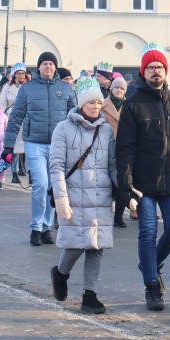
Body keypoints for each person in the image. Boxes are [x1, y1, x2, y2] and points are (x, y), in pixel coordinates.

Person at [116, 44, 170, 311]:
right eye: (150, 67)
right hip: (143, 184)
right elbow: (124, 147)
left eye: (159, 67)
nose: (155, 71)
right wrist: (125, 182)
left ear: (165, 71)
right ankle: (152, 286)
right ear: (143, 72)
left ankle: (149, 262)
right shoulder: (133, 104)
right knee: (147, 232)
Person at [48, 77, 118, 314]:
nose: (96, 106)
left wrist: (125, 189)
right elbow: (56, 165)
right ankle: (60, 273)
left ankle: (90, 295)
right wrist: (60, 199)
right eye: (91, 102)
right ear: (81, 104)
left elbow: (112, 166)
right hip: (74, 196)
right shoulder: (63, 128)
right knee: (76, 244)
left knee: (96, 246)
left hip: (100, 197)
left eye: (99, 102)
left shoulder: (106, 130)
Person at [3, 52, 77, 247]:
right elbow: (16, 116)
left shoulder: (66, 89)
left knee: (53, 186)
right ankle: (36, 227)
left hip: (58, 144)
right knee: (41, 183)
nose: (48, 67)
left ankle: (46, 227)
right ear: (39, 67)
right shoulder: (27, 89)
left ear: (55, 67)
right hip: (34, 143)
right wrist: (8, 145)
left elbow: (75, 118)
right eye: (45, 64)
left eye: (51, 64)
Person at [102, 76, 130, 228]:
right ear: (111, 89)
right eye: (116, 88)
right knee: (106, 183)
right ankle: (106, 214)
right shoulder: (102, 105)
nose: (119, 91)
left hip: (124, 148)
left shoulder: (129, 106)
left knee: (122, 182)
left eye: (121, 88)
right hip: (106, 148)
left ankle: (118, 216)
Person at [1, 63, 29, 184]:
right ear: (14, 74)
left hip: (27, 119)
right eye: (19, 73)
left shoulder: (29, 87)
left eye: (23, 73)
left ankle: (30, 173)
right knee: (13, 147)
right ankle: (14, 173)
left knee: (28, 147)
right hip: (12, 119)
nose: (21, 75)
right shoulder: (7, 88)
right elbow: (2, 104)